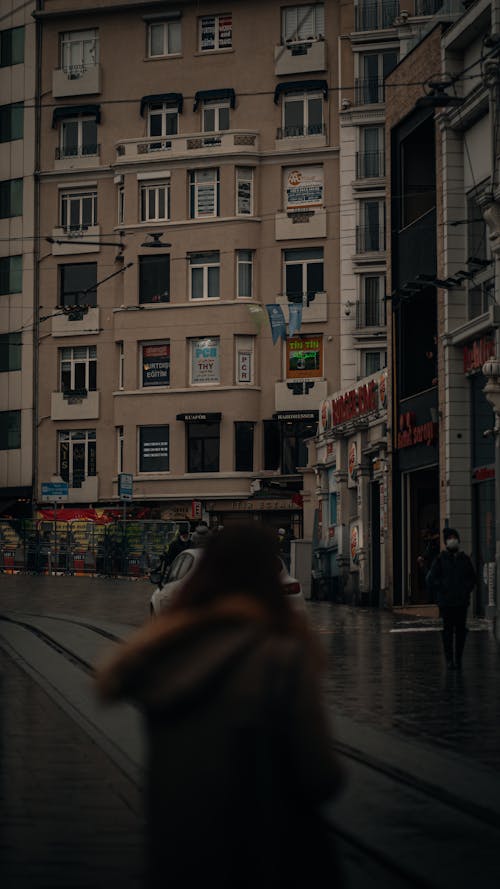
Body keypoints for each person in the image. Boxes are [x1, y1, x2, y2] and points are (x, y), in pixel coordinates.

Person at [96, 522, 345, 889]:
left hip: (180, 858)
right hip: (266, 858)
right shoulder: (280, 659)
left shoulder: (161, 658)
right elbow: (320, 775)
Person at [426, 527, 476, 669]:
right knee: (448, 631)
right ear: (446, 542)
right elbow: (430, 579)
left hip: (461, 602)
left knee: (460, 631)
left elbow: (472, 578)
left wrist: (465, 590)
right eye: (450, 538)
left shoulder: (464, 559)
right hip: (447, 603)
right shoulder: (440, 559)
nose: (452, 540)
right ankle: (449, 660)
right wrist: (442, 589)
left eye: (454, 537)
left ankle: (458, 659)